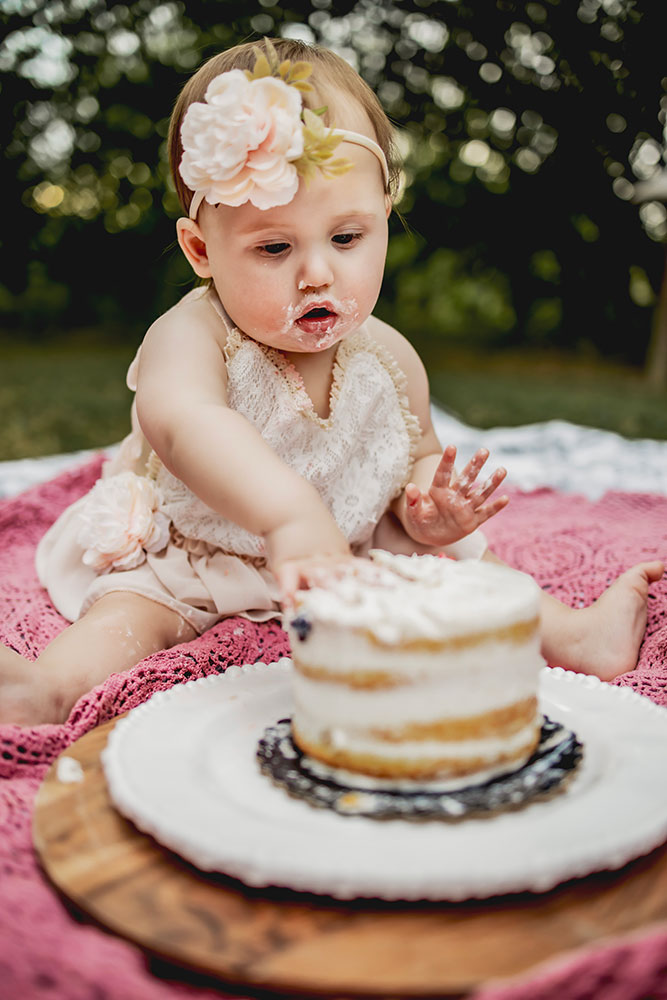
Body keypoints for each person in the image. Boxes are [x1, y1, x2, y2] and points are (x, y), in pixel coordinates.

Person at [1, 38, 662, 725]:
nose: (316, 273)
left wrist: (425, 509)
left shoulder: (388, 356)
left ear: (383, 218)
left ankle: (573, 636)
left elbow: (415, 457)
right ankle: (42, 689)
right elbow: (185, 422)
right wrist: (290, 517)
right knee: (126, 622)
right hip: (192, 557)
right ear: (201, 250)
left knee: (458, 572)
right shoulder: (193, 336)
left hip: (341, 554)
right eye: (274, 247)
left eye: (346, 238)